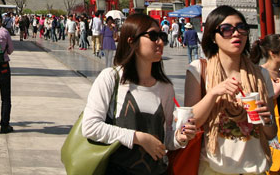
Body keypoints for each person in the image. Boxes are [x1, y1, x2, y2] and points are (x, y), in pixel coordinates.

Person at [82, 13, 197, 173]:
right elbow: (90, 127)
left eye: (162, 36)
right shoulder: (111, 78)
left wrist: (179, 138)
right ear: (132, 41)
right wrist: (138, 138)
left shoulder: (165, 87)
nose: (160, 42)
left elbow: (164, 139)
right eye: (153, 36)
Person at [184, 5, 277, 174]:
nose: (236, 33)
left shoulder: (260, 75)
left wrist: (267, 119)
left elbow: (271, 134)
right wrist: (213, 93)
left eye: (242, 28)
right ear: (213, 36)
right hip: (214, 168)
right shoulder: (198, 70)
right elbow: (190, 122)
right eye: (226, 29)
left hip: (255, 168)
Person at [251, 33, 280, 174]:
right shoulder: (260, 74)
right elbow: (256, 104)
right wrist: (274, 94)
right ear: (272, 53)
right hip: (269, 133)